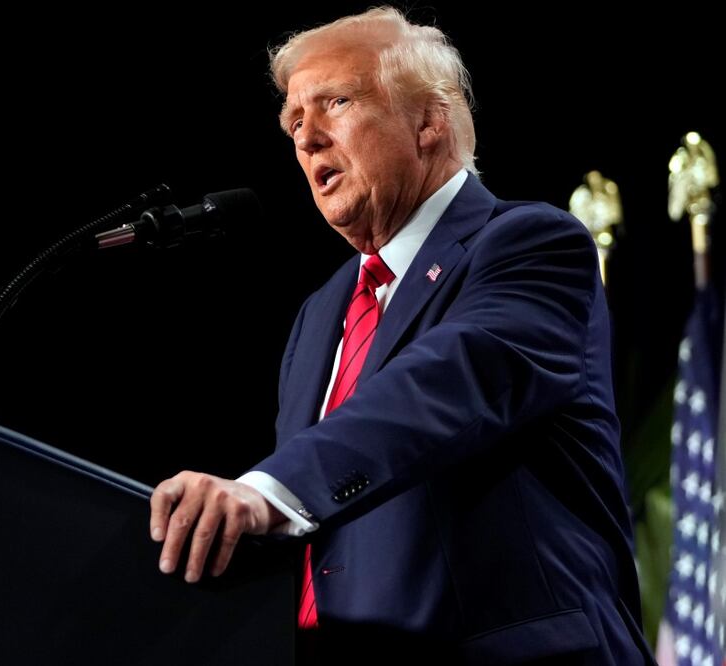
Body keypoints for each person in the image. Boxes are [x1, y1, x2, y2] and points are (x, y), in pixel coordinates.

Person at [148, 6, 655, 664]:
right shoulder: (319, 314)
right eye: (294, 124)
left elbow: (449, 382)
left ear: (428, 121)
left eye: (334, 102)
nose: (307, 141)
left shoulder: (529, 243)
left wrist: (267, 490)